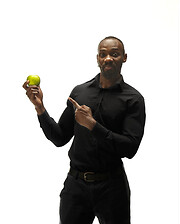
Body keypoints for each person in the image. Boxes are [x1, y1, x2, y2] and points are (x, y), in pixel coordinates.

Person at [23, 36, 146, 224]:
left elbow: (129, 149)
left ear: (124, 57)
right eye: (103, 54)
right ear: (97, 58)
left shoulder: (133, 99)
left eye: (114, 54)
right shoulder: (80, 92)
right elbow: (59, 137)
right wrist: (40, 107)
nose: (108, 59)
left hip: (112, 187)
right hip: (76, 187)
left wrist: (92, 125)